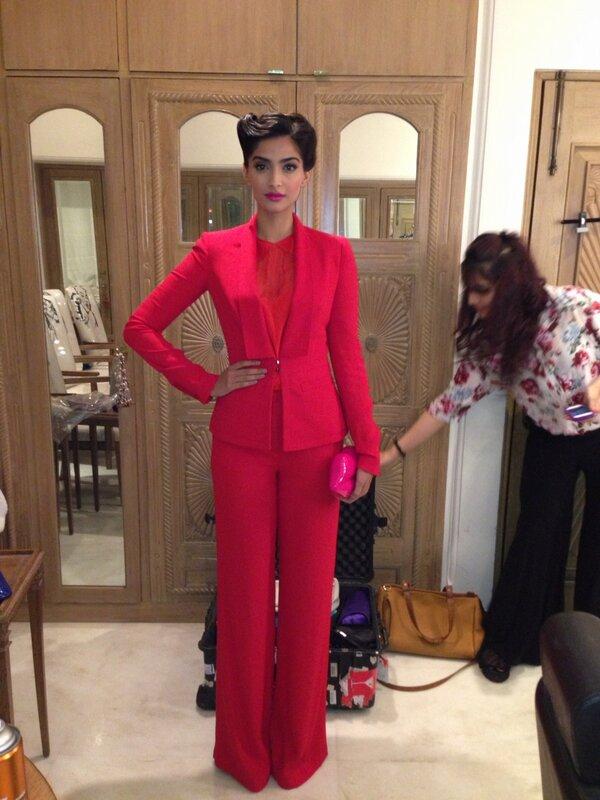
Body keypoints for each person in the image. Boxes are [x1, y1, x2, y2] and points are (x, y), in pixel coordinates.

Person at [123, 112, 380, 791]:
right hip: (239, 446)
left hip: (315, 447)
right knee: (242, 602)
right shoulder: (216, 250)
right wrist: (206, 382)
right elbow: (140, 326)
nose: (276, 179)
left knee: (308, 602)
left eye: (289, 166)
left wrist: (368, 448)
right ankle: (242, 752)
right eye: (262, 164)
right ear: (246, 171)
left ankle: (298, 749)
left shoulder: (334, 255)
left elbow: (347, 354)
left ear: (307, 175)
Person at [380, 231, 600, 682]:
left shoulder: (574, 305)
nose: (473, 300)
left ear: (512, 286)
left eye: (481, 290)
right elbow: (449, 403)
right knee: (537, 536)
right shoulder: (490, 344)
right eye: (471, 290)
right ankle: (515, 643)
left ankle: (591, 653)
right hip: (550, 437)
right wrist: (391, 454)